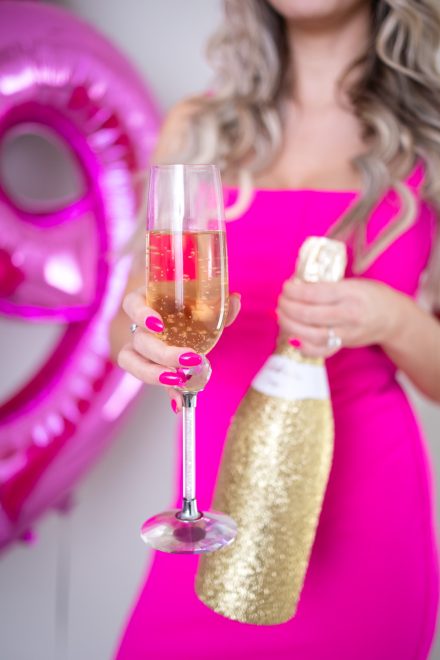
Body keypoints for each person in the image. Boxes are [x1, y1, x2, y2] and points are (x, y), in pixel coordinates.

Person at [110, 1, 440, 657]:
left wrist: (391, 318)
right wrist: (144, 343)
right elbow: (130, 325)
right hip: (209, 519)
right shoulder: (199, 126)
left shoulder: (429, 134)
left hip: (365, 522)